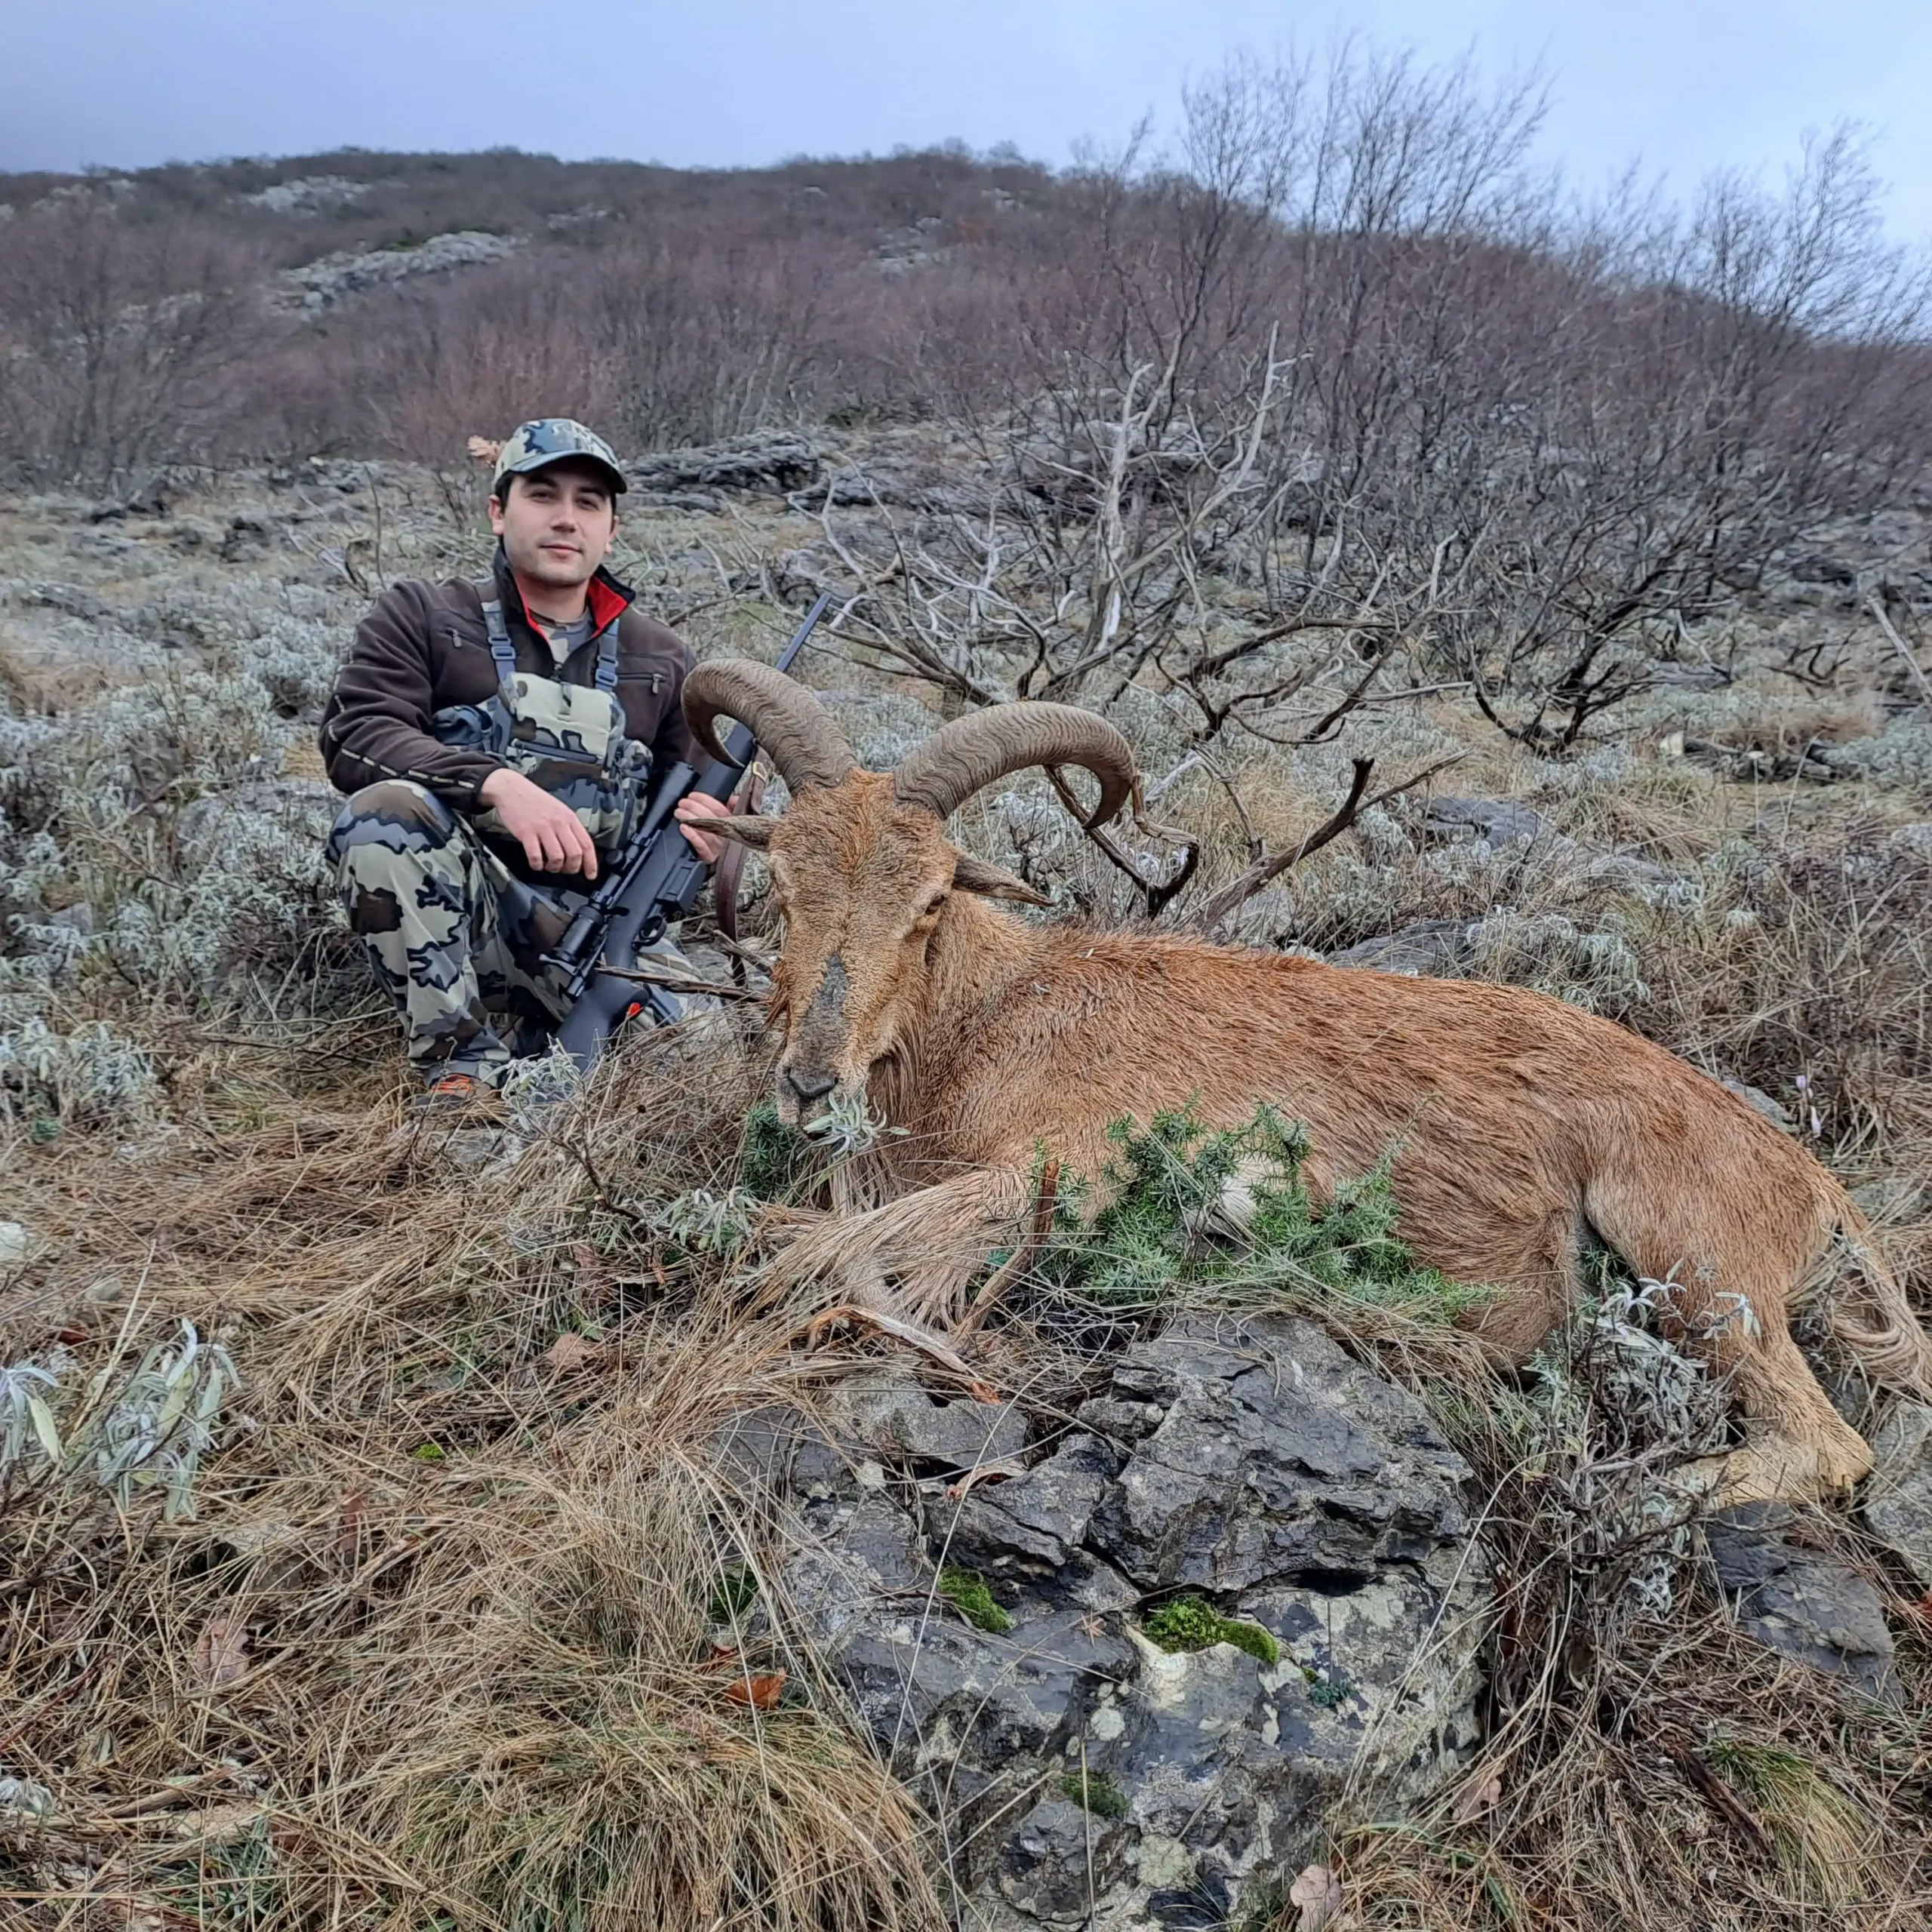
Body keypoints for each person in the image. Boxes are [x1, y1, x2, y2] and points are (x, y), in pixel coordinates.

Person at [319, 418, 733, 1107]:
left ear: (611, 530)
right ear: (498, 511)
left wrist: (717, 835)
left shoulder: (663, 657)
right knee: (381, 817)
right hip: (465, 913)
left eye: (588, 503)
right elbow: (356, 734)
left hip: (603, 930)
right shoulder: (424, 613)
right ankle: (461, 1065)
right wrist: (494, 783)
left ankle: (559, 1037)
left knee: (705, 1073)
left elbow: (700, 797)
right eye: (543, 495)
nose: (566, 519)